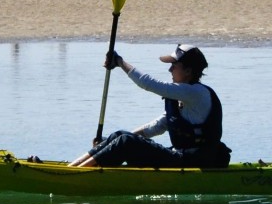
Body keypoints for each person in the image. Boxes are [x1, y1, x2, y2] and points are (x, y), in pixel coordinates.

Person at [73, 44, 231, 169]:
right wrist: (106, 144)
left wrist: (120, 62)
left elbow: (148, 84)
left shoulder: (197, 93)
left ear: (188, 71)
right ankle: (73, 168)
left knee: (126, 141)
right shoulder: (180, 99)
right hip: (180, 158)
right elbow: (153, 128)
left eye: (174, 65)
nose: (170, 69)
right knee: (120, 135)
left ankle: (74, 175)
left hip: (195, 162)